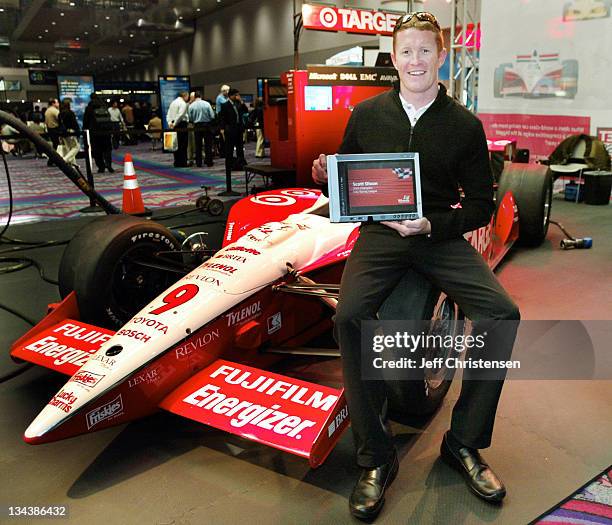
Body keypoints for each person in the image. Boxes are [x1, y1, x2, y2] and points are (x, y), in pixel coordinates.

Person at [312, 12, 520, 521]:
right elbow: (346, 184)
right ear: (395, 56)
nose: (415, 61)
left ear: (441, 54)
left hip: (435, 237)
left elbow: (479, 206)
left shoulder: (464, 126)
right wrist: (324, 176)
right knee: (347, 317)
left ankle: (464, 443)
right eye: (406, 51)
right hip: (381, 237)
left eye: (425, 50)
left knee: (501, 313)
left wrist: (430, 226)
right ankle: (376, 459)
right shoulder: (366, 115)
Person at [83, 94, 114, 173]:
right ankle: (109, 164)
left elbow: (86, 121)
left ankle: (101, 167)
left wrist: (85, 130)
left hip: (95, 132)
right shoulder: (104, 106)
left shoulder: (89, 108)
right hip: (106, 131)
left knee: (97, 150)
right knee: (107, 149)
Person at [219, 88, 246, 178]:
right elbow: (222, 118)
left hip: (239, 129)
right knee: (229, 149)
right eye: (236, 95)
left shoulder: (238, 103)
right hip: (230, 130)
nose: (238, 97)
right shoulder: (225, 105)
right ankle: (229, 165)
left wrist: (241, 101)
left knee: (240, 148)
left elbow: (245, 110)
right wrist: (222, 129)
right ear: (231, 96)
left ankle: (241, 164)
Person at [188, 91, 216, 167]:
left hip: (197, 126)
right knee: (208, 145)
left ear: (195, 97)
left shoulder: (191, 106)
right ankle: (209, 161)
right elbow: (212, 116)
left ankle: (199, 162)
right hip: (207, 125)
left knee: (198, 145)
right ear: (201, 96)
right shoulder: (207, 104)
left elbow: (190, 118)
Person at [166, 91, 190, 167]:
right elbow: (181, 115)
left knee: (175, 144)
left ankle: (176, 162)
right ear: (185, 96)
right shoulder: (183, 103)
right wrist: (175, 123)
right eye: (187, 96)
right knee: (183, 144)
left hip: (173, 124)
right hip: (181, 124)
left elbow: (168, 114)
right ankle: (183, 163)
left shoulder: (173, 102)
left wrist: (170, 122)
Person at [57, 98, 80, 166]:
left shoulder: (60, 114)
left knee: (69, 148)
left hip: (63, 133)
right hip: (71, 132)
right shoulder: (70, 113)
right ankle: (65, 160)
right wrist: (77, 132)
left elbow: (59, 124)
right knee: (76, 147)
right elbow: (74, 124)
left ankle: (73, 164)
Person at [44, 97, 61, 166]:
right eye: (57, 102)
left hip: (50, 129)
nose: (58, 104)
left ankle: (51, 161)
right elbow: (60, 118)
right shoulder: (54, 110)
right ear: (53, 103)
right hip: (55, 129)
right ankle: (52, 161)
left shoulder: (47, 110)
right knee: (56, 146)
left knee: (55, 146)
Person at [215, 84, 230, 157]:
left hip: (223, 117)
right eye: (228, 91)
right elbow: (227, 104)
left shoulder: (224, 97)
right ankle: (223, 152)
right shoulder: (220, 97)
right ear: (224, 91)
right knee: (222, 136)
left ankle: (225, 151)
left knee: (224, 135)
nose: (228, 93)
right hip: (220, 117)